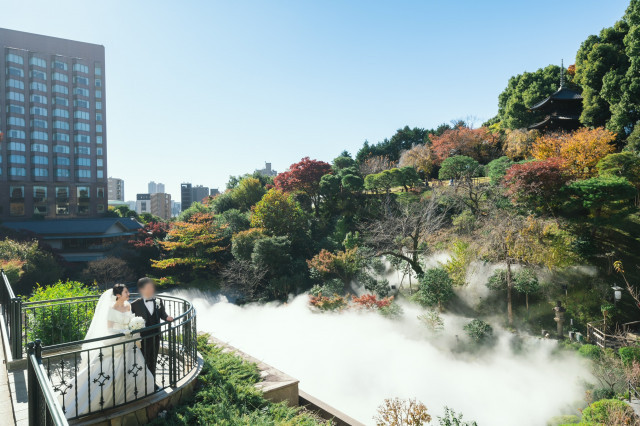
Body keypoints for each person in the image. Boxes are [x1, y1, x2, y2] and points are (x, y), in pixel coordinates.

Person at [59, 284, 155, 418]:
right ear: (118, 295)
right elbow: (109, 330)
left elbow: (129, 321)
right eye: (126, 292)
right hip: (116, 341)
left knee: (133, 367)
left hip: (128, 341)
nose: (128, 294)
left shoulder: (128, 305)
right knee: (108, 371)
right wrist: (123, 332)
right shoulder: (112, 309)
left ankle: (132, 394)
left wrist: (134, 327)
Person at [130, 277, 173, 376]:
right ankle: (144, 381)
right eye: (148, 288)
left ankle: (152, 379)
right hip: (143, 338)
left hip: (156, 335)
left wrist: (167, 317)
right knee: (144, 359)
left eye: (152, 287)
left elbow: (163, 314)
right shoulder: (135, 305)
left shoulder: (159, 301)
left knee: (154, 358)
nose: (151, 290)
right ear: (141, 289)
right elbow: (131, 321)